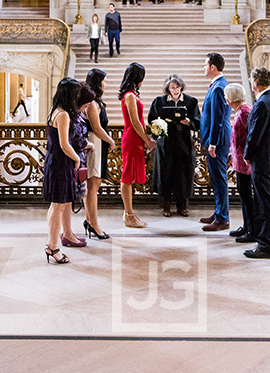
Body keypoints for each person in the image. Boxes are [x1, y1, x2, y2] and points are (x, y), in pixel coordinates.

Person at [42, 77, 94, 265]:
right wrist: (76, 160)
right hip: (61, 163)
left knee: (57, 206)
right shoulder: (63, 115)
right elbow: (65, 145)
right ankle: (53, 247)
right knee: (59, 206)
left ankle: (52, 244)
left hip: (54, 162)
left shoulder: (55, 111)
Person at [243, 66, 270, 259]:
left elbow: (255, 134)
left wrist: (247, 154)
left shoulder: (262, 103)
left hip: (262, 158)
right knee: (269, 200)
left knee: (263, 202)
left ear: (255, 83)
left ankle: (266, 245)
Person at [148, 74, 201, 217]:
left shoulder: (191, 101)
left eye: (177, 87)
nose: (175, 90)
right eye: (172, 87)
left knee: (183, 173)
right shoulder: (159, 101)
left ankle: (182, 206)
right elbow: (151, 120)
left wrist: (189, 122)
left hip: (183, 141)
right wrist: (160, 125)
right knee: (166, 172)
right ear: (168, 88)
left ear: (181, 87)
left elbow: (198, 122)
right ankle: (165, 206)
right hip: (166, 142)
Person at [119, 62, 156, 227]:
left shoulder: (132, 94)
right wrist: (147, 140)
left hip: (135, 137)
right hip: (131, 138)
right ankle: (128, 214)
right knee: (127, 176)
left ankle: (130, 213)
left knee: (130, 175)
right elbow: (134, 121)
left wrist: (145, 136)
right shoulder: (129, 96)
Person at [199, 52, 231, 231]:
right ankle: (219, 212)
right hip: (214, 138)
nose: (203, 68)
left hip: (217, 140)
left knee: (219, 178)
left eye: (205, 65)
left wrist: (213, 142)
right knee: (216, 178)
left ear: (213, 67)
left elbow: (218, 118)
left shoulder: (219, 87)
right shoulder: (217, 85)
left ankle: (222, 219)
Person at [83, 67, 116, 240]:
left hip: (97, 142)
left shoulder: (96, 102)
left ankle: (90, 220)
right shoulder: (92, 104)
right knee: (92, 186)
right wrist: (110, 141)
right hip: (94, 143)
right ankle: (94, 224)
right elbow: (96, 128)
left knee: (94, 185)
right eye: (103, 81)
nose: (106, 84)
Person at [225, 82, 255, 243]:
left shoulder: (244, 113)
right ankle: (246, 225)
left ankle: (252, 229)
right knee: (244, 195)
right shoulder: (242, 111)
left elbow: (250, 137)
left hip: (245, 162)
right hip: (240, 160)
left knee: (247, 196)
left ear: (231, 98)